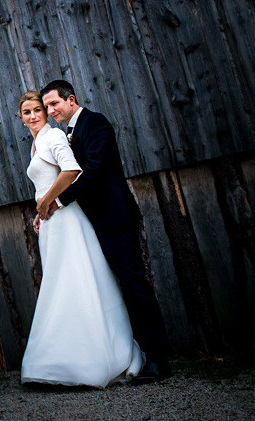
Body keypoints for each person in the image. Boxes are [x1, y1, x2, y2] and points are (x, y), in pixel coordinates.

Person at [39, 79, 171, 385]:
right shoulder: (67, 133)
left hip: (115, 219)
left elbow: (94, 170)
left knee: (134, 283)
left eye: (54, 104)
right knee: (115, 287)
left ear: (70, 99)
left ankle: (158, 360)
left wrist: (59, 201)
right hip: (93, 222)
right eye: (46, 107)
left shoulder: (95, 124)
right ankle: (130, 354)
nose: (50, 110)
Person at [17, 91, 143, 388]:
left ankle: (91, 359)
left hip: (66, 220)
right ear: (20, 118)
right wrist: (41, 210)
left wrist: (46, 202)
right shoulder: (36, 144)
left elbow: (72, 170)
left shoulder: (54, 137)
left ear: (48, 113)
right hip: (51, 223)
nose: (34, 115)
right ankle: (61, 358)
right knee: (59, 284)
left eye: (39, 109)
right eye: (27, 112)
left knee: (73, 281)